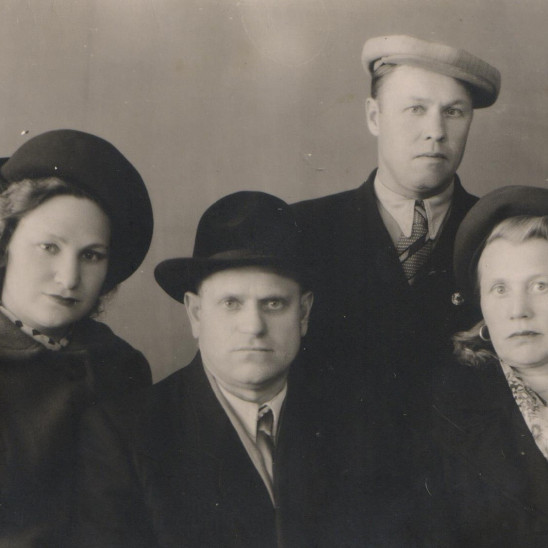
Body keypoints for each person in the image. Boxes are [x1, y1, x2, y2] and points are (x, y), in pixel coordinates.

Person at [71, 191, 344, 547]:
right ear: (196, 313)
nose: (254, 326)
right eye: (231, 303)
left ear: (303, 313)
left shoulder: (356, 422)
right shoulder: (126, 436)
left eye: (274, 303)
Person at [293, 35, 501, 404]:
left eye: (453, 112)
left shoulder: (501, 233)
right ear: (374, 117)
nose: (436, 131)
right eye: (416, 108)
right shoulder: (301, 229)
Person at [0, 129, 154, 546]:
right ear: (6, 242)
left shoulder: (121, 365)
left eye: (91, 255)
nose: (69, 278)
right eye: (49, 247)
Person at [429, 186, 548, 546]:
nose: (518, 310)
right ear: (480, 303)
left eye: (541, 286)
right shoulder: (444, 413)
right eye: (500, 289)